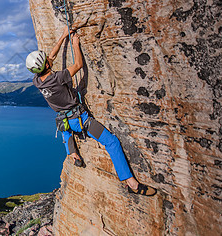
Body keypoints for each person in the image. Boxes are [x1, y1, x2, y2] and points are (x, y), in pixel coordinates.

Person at [26, 26, 156, 196]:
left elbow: (51, 56)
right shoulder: (58, 78)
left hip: (63, 122)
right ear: (46, 65)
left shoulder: (37, 81)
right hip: (79, 120)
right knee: (112, 142)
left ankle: (73, 154)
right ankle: (131, 183)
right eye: (47, 60)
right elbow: (78, 65)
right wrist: (75, 44)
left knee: (66, 132)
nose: (50, 58)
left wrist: (63, 36)